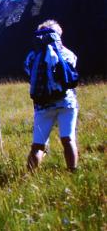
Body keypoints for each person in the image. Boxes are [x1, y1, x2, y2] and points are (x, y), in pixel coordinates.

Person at [24, 20, 79, 172]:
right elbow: (72, 75)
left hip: (42, 105)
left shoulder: (32, 57)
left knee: (38, 145)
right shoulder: (68, 54)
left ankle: (29, 176)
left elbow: (29, 74)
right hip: (66, 103)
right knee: (68, 139)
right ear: (58, 35)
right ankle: (72, 172)